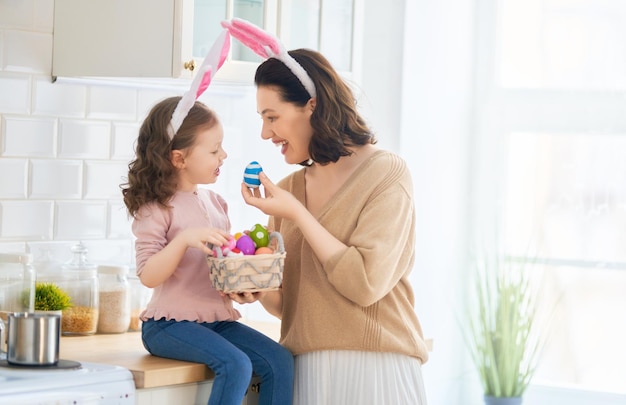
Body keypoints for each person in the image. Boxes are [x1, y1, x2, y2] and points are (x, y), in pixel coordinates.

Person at [222, 18, 429, 405]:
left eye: (272, 117)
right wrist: (256, 285)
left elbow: (365, 284)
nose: (266, 134)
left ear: (311, 106)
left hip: (377, 371)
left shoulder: (386, 174)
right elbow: (290, 305)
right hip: (307, 372)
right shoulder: (286, 192)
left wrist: (300, 215)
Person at [120, 60, 294, 405]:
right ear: (179, 158)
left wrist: (242, 287)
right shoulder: (156, 206)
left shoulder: (216, 202)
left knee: (280, 361)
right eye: (214, 150)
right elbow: (149, 275)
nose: (223, 155)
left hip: (216, 320)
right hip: (168, 326)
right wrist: (184, 240)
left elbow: (218, 273)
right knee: (235, 364)